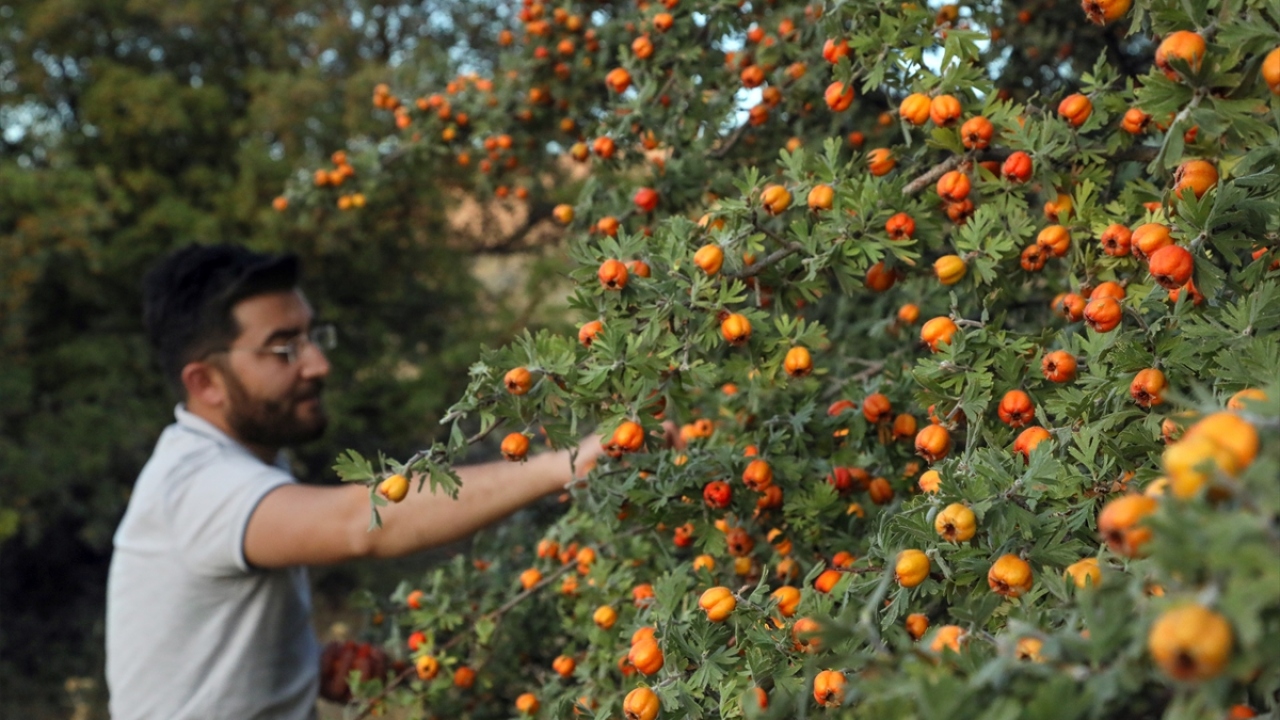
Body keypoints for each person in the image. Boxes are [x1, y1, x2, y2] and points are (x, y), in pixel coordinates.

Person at [105, 244, 600, 719]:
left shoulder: (239, 463)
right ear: (205, 382)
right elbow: (358, 523)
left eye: (312, 337)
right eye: (284, 349)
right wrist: (564, 466)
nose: (318, 364)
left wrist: (307, 665)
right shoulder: (198, 484)